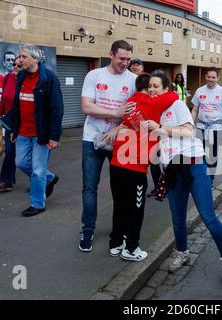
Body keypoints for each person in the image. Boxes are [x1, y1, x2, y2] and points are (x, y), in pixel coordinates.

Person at [146, 73, 222, 281]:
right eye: (149, 86)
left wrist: (161, 128)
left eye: (156, 86)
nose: (151, 89)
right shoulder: (151, 110)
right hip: (171, 168)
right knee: (177, 219)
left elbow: (188, 131)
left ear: (166, 88)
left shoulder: (176, 105)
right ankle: (182, 253)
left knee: (207, 215)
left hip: (193, 163)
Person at [108, 72, 178, 261]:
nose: (155, 91)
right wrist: (160, 91)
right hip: (135, 167)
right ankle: (131, 248)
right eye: (152, 87)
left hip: (116, 163)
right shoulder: (154, 102)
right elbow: (174, 94)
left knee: (120, 205)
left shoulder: (130, 102)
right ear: (148, 88)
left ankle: (116, 243)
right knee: (136, 209)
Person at [78, 40, 137, 252]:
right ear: (111, 54)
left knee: (120, 190)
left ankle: (119, 231)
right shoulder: (94, 75)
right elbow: (86, 106)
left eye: (128, 59)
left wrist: (118, 127)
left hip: (120, 142)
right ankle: (87, 229)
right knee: (89, 186)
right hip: (92, 138)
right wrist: (115, 113)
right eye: (121, 58)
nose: (125, 63)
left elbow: (135, 114)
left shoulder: (133, 80)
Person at [9, 44, 64, 217]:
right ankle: (50, 178)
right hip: (23, 132)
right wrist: (14, 128)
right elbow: (16, 105)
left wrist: (54, 135)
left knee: (38, 170)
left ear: (35, 59)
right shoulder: (21, 76)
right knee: (21, 163)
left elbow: (57, 108)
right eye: (20, 56)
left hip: (41, 134)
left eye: (24, 57)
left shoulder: (49, 79)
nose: (20, 60)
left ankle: (37, 204)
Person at [191, 68, 222, 188]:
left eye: (213, 77)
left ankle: (210, 181)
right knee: (199, 155)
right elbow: (194, 110)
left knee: (212, 156)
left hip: (216, 129)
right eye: (209, 77)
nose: (211, 80)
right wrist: (189, 126)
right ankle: (200, 179)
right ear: (205, 76)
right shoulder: (199, 91)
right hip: (200, 128)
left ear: (217, 78)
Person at [0, 56, 23, 192]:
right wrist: (0, 114)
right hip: (10, 121)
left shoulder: (27, 80)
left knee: (27, 155)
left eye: (19, 65)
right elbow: (4, 97)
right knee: (9, 152)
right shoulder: (8, 78)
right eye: (14, 64)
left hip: (24, 121)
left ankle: (39, 180)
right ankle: (7, 181)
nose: (15, 66)